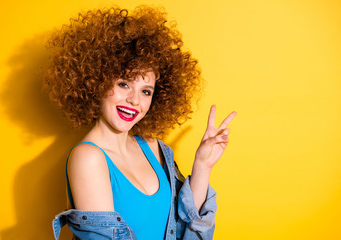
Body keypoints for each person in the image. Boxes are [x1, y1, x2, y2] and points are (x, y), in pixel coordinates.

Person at [45, 5, 237, 240]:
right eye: (124, 84)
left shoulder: (153, 146)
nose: (135, 100)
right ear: (97, 81)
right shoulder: (88, 158)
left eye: (146, 91)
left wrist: (203, 165)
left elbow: (183, 229)